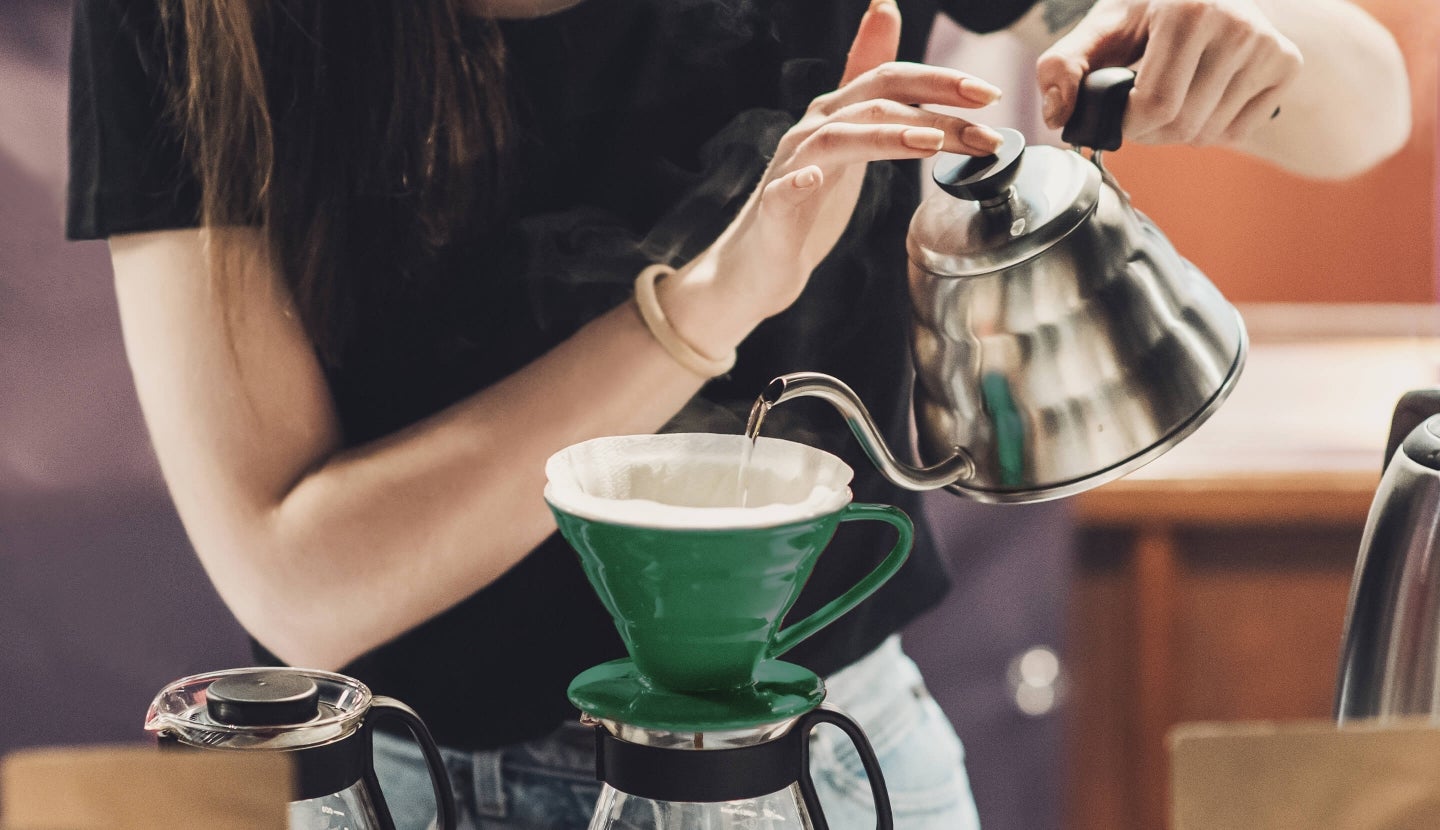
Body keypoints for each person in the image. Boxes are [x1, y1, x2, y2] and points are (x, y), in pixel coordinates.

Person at [67, 1, 1407, 828]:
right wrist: (707, 300)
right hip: (383, 783)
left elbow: (1367, 110)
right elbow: (300, 571)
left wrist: (1233, 40)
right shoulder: (190, 21)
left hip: (814, 760)